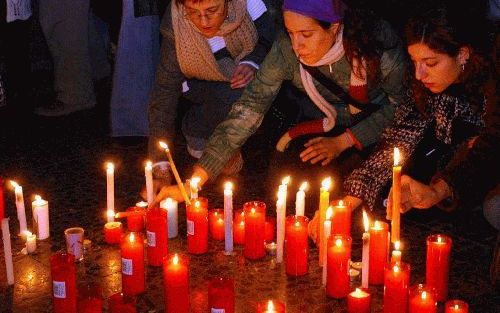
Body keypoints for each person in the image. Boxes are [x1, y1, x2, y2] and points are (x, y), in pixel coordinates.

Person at [150, 0, 407, 205]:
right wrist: (195, 180)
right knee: (283, 188)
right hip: (327, 122)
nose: (297, 45)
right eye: (291, 32)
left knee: (372, 194)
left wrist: (343, 142)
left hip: (380, 126)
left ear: (334, 27)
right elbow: (249, 109)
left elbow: (402, 106)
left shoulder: (376, 43)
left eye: (306, 34)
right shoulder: (286, 50)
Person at [147, 0, 277, 184]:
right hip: (196, 84)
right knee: (232, 96)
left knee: (246, 94)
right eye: (193, 12)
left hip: (240, 79)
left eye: (212, 10)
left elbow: (274, 35)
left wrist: (253, 61)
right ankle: (198, 128)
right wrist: (159, 165)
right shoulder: (177, 19)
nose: (204, 22)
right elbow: (164, 90)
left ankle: (222, 141)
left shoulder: (250, 5)